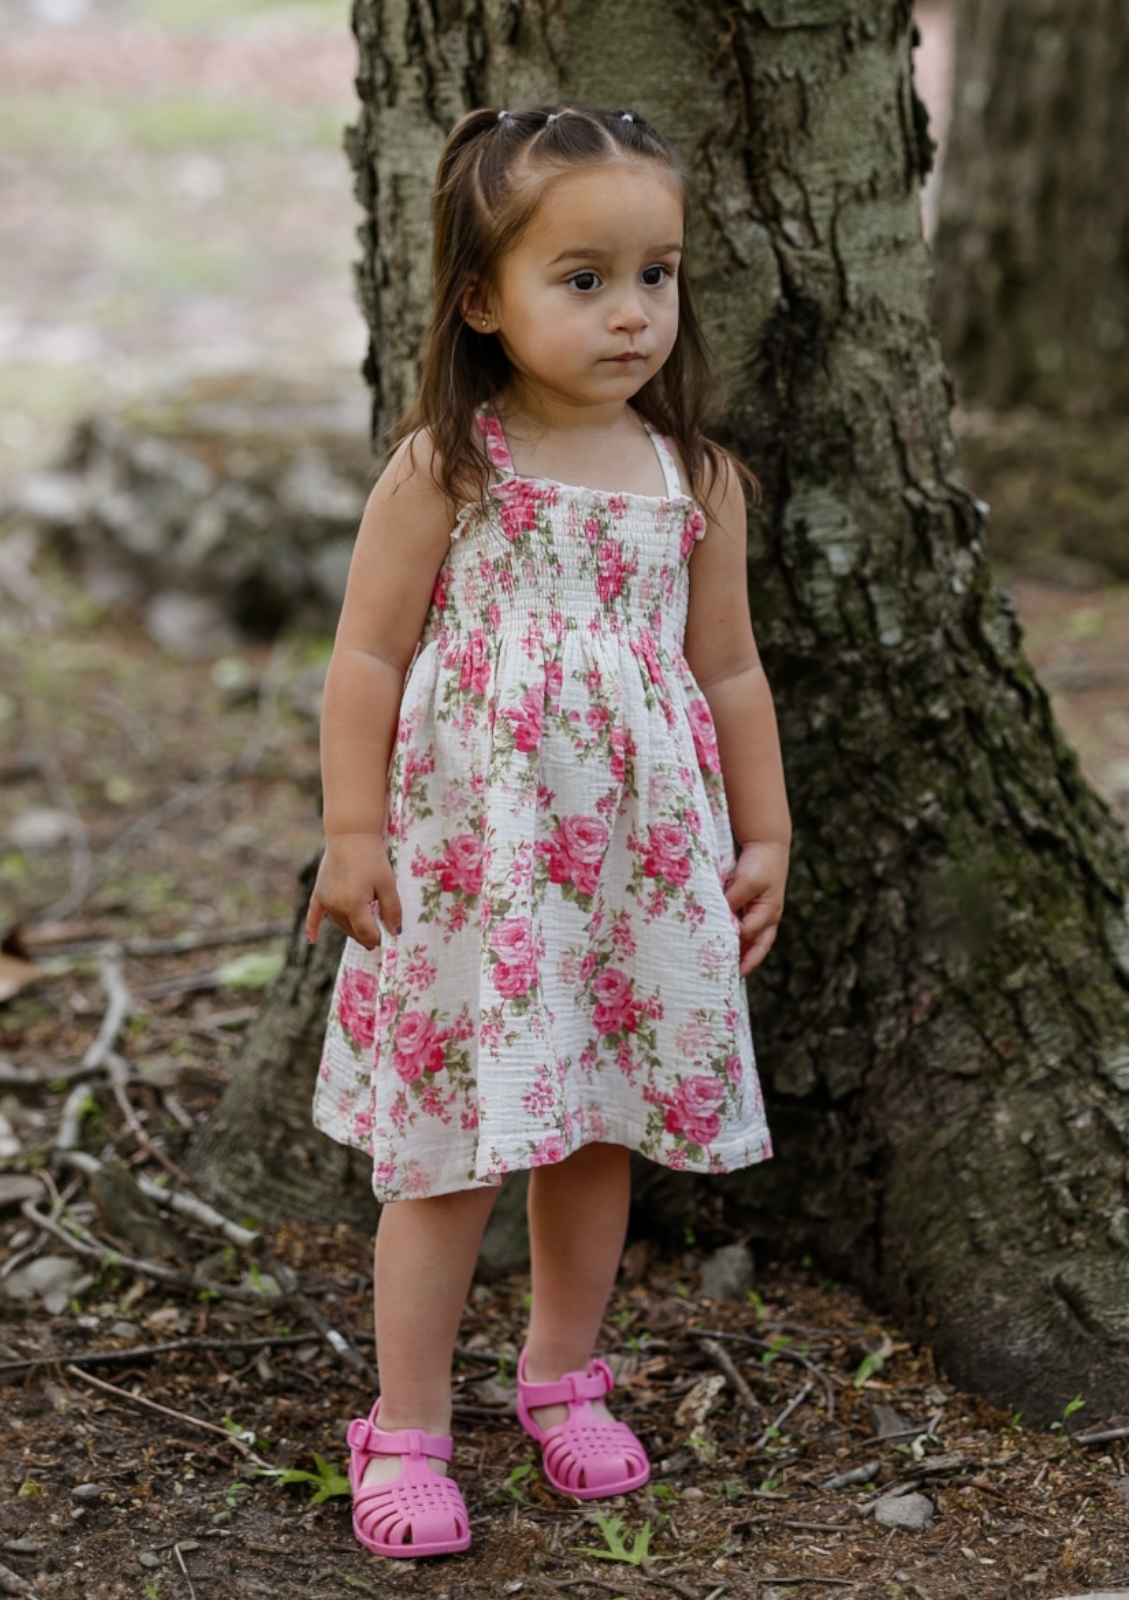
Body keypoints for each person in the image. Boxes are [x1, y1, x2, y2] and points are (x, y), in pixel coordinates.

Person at [305, 101, 790, 1560]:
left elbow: (730, 669)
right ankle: (404, 1422)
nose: (633, 311)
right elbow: (367, 659)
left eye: (657, 273)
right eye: (582, 279)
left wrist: (762, 834)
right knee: (445, 1150)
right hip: (472, 871)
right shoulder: (451, 469)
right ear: (481, 298)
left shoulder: (693, 481)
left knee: (594, 1133)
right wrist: (351, 827)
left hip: (628, 880)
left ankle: (563, 1372)